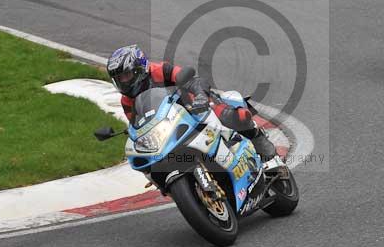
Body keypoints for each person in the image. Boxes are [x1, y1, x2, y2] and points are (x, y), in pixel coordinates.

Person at [106, 44, 277, 162]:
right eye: (119, 79)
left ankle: (257, 138)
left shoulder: (159, 71)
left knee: (236, 116)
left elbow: (192, 79)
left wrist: (201, 96)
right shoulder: (127, 100)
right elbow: (137, 123)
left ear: (139, 68)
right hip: (169, 124)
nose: (123, 81)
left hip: (194, 106)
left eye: (126, 75)